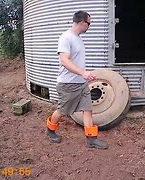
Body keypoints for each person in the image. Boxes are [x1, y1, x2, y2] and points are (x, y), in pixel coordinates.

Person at [46, 11, 109, 149]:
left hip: (81, 83)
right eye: (89, 23)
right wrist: (82, 73)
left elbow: (77, 62)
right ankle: (50, 130)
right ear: (82, 22)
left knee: (88, 109)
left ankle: (91, 139)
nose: (89, 26)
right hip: (68, 85)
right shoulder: (66, 38)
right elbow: (64, 61)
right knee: (62, 111)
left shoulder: (78, 38)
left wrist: (86, 75)